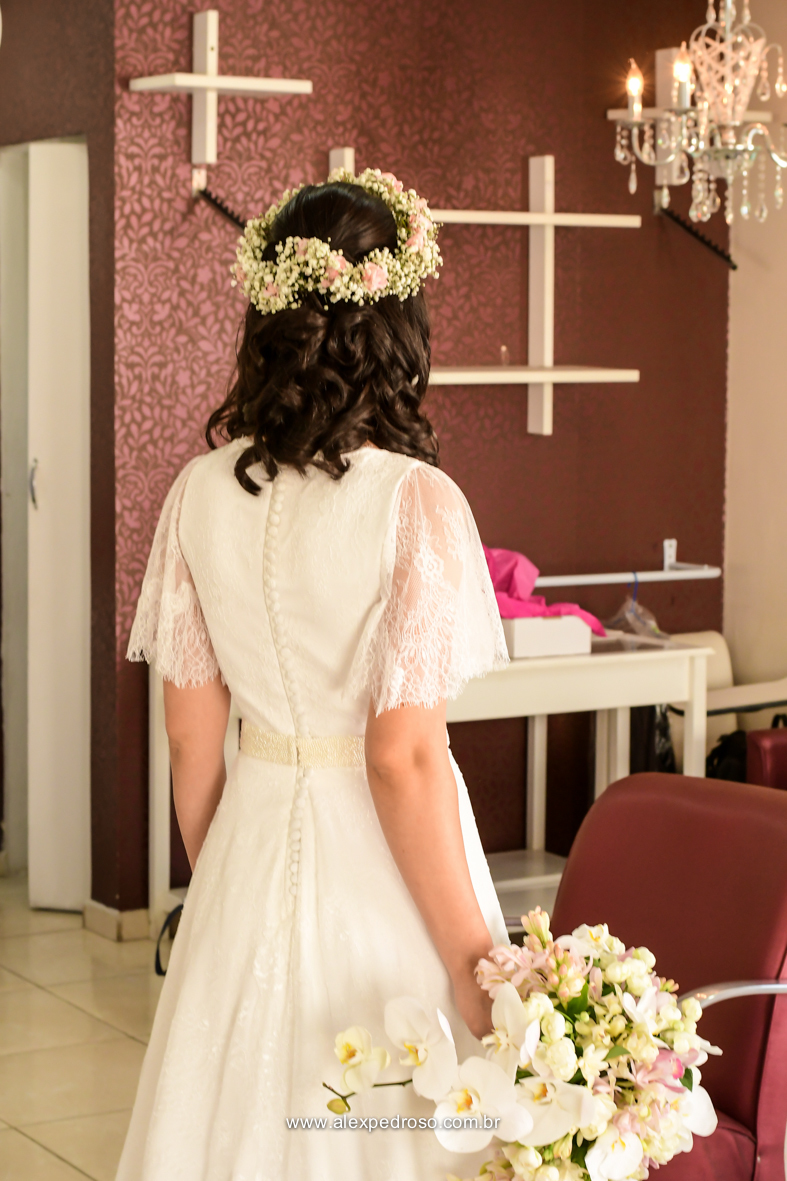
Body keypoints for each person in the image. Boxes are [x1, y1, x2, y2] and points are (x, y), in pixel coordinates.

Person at [117, 168, 510, 1180]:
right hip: (383, 863)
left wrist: (228, 889)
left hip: (249, 829)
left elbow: (190, 739)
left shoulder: (199, 491)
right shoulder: (416, 501)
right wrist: (476, 968)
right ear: (396, 321)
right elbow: (402, 756)